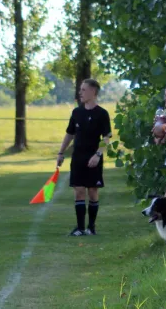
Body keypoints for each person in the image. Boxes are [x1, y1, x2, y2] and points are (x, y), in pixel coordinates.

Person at [57, 79, 112, 236]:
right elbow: (69, 134)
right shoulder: (76, 112)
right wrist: (61, 153)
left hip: (93, 158)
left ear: (93, 92)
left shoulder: (102, 114)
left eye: (83, 90)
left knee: (93, 191)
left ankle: (91, 227)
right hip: (78, 158)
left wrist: (98, 154)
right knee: (79, 190)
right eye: (80, 89)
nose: (80, 92)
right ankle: (80, 228)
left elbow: (106, 137)